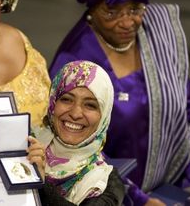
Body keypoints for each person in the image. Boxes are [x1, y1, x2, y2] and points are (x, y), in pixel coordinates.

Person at [48, 0, 190, 205]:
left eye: (135, 9)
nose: (127, 23)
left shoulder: (157, 39)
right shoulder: (75, 63)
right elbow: (76, 146)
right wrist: (139, 199)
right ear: (91, 7)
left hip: (164, 190)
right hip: (104, 194)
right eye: (112, 11)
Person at [34, 60, 125, 205]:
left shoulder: (104, 183)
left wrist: (39, 183)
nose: (76, 114)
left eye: (90, 105)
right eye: (66, 100)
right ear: (52, 103)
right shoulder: (28, 145)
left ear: (104, 116)